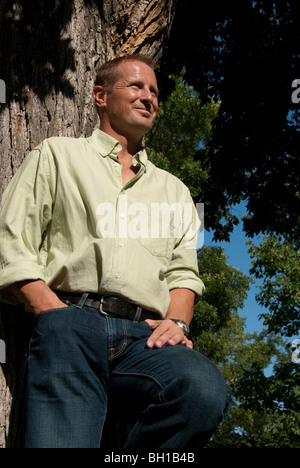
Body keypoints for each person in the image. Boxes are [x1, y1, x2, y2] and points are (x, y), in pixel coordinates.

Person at [0, 54, 227, 448]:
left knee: (203, 390)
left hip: (147, 337)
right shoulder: (57, 155)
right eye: (137, 86)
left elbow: (184, 274)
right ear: (101, 96)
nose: (149, 97)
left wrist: (179, 323)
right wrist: (51, 310)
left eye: (155, 91)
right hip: (70, 321)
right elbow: (10, 239)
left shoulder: (175, 190)